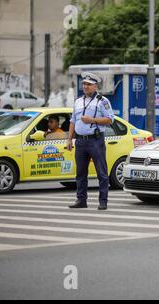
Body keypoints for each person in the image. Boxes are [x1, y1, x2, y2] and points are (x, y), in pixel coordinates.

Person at [67, 72, 115, 210]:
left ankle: (103, 201)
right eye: (84, 84)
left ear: (95, 86)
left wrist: (92, 120)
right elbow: (72, 121)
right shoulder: (78, 101)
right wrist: (69, 139)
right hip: (80, 142)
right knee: (80, 173)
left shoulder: (102, 101)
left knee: (102, 173)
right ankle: (81, 200)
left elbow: (110, 119)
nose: (85, 86)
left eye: (88, 84)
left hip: (95, 140)